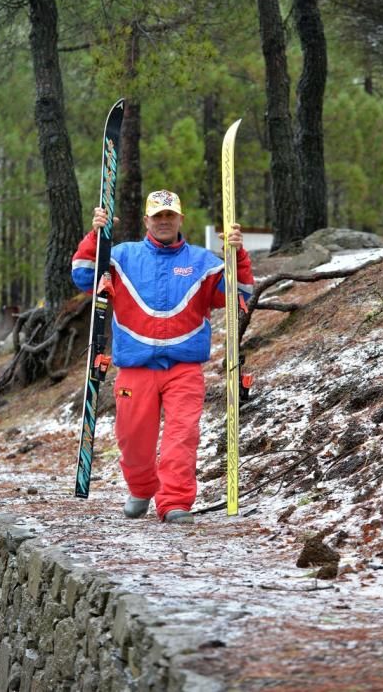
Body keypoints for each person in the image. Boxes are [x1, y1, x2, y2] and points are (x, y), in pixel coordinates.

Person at [72, 189, 254, 524]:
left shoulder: (203, 262)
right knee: (133, 440)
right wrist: (95, 236)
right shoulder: (122, 257)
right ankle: (142, 488)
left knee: (181, 437)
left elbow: (239, 295)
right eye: (158, 216)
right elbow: (83, 274)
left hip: (184, 370)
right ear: (147, 221)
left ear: (180, 219)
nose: (164, 222)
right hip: (135, 369)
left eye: (170, 216)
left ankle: (174, 502)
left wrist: (237, 254)